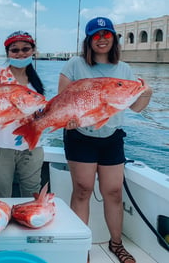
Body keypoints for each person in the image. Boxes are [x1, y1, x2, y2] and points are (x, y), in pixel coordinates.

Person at [59, 17, 152, 263]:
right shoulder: (74, 65)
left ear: (114, 38)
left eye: (107, 34)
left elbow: (136, 108)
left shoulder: (124, 69)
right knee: (82, 190)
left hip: (112, 138)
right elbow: (63, 102)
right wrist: (68, 118)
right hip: (80, 137)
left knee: (113, 192)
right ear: (89, 40)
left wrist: (147, 93)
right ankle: (81, 248)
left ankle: (117, 244)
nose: (102, 39)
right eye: (96, 35)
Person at [0, 31, 45, 198]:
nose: (20, 53)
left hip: (32, 146)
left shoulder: (35, 80)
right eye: (14, 50)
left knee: (33, 196)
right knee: (1, 198)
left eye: (25, 49)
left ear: (33, 50)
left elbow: (39, 110)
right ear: (7, 53)